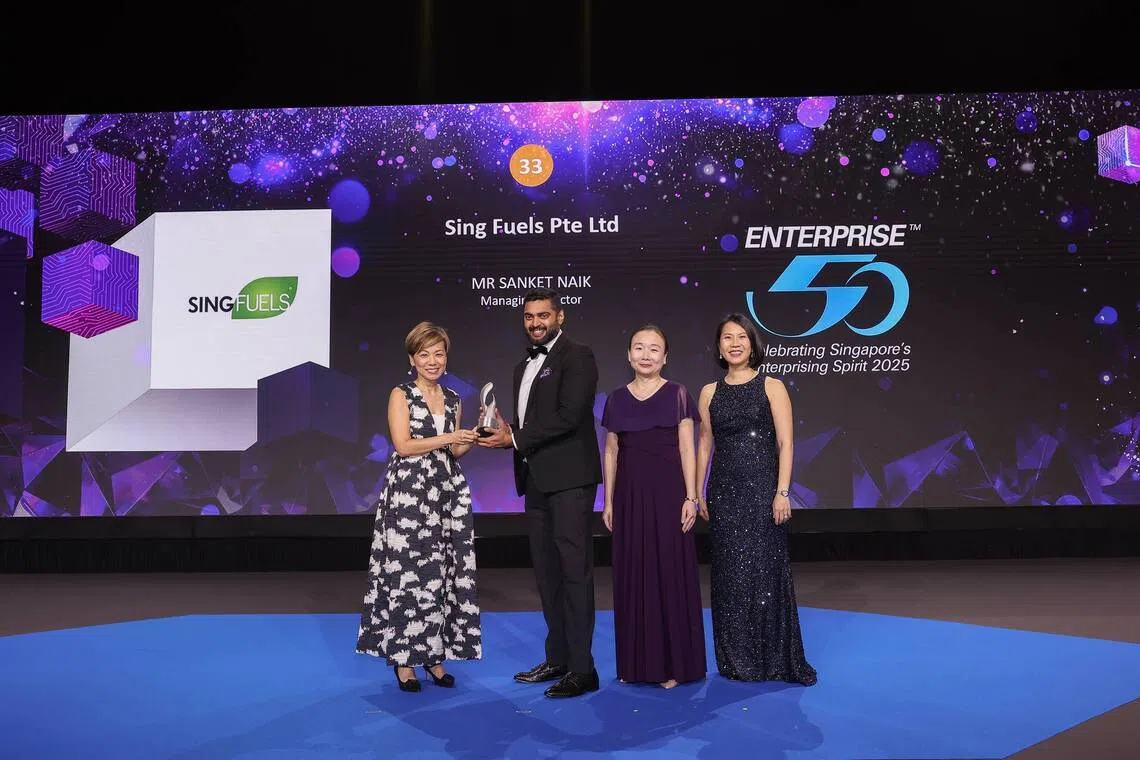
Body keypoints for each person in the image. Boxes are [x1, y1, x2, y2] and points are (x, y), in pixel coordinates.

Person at [478, 289, 603, 698]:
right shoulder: (521, 367)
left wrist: (513, 438)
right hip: (536, 481)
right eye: (529, 316)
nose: (536, 323)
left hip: (570, 481)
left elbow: (570, 416)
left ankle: (583, 670)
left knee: (574, 573)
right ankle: (558, 659)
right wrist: (506, 429)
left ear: (559, 316)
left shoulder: (578, 356)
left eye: (543, 315)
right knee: (547, 574)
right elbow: (531, 424)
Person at [356, 321, 483, 693]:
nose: (432, 361)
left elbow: (453, 451)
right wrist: (449, 436)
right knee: (408, 574)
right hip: (410, 493)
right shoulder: (401, 394)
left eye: (439, 353)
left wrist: (474, 435)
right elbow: (404, 445)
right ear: (412, 359)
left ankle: (434, 656)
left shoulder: (454, 398)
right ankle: (404, 660)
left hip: (446, 491)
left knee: (441, 573)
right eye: (424, 354)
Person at [695, 313, 817, 686]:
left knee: (765, 573)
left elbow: (785, 443)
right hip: (723, 493)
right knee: (730, 576)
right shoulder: (709, 392)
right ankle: (737, 659)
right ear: (719, 347)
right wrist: (697, 490)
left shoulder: (772, 386)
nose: (735, 343)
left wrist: (782, 491)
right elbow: (704, 445)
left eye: (741, 337)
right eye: (727, 338)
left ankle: (774, 658)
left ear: (752, 344)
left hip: (764, 492)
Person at [600, 324, 706, 689]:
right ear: (629, 355)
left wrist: (691, 496)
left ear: (665, 357)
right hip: (629, 497)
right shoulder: (616, 399)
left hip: (669, 496)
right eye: (639, 348)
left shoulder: (678, 394)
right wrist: (608, 500)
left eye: (654, 349)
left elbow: (688, 448)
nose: (646, 355)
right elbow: (611, 452)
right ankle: (637, 664)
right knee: (634, 574)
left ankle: (674, 664)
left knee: (669, 573)